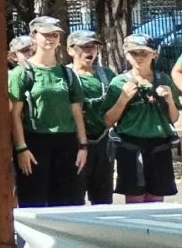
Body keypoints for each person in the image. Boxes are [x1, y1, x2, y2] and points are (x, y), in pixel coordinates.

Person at [9, 16, 90, 207]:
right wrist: (21, 148)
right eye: (45, 34)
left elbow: (77, 112)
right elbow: (14, 114)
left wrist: (83, 146)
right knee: (33, 202)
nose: (50, 38)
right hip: (36, 143)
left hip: (67, 143)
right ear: (34, 36)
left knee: (67, 203)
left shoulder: (67, 74)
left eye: (54, 34)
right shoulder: (22, 73)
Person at [106, 35, 178, 205]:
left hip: (159, 146)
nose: (139, 58)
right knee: (135, 199)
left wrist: (168, 100)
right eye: (134, 53)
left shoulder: (164, 80)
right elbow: (108, 120)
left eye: (144, 53)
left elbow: (173, 118)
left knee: (156, 199)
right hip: (130, 147)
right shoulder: (118, 83)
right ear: (126, 54)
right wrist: (123, 99)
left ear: (154, 54)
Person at [70, 30, 118, 207]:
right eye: (83, 47)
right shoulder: (65, 75)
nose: (89, 51)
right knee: (74, 197)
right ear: (70, 51)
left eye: (93, 47)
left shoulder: (107, 75)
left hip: (103, 143)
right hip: (74, 144)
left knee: (103, 199)